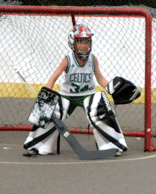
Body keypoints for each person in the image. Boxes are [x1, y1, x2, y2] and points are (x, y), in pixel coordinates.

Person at [23, 23, 128, 156]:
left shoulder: (93, 59)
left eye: (87, 41)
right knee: (51, 110)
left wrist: (114, 89)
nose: (84, 45)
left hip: (88, 95)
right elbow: (53, 78)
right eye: (80, 42)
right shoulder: (68, 59)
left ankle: (111, 146)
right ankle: (39, 146)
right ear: (73, 42)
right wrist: (47, 96)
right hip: (67, 96)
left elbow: (100, 79)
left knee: (101, 108)